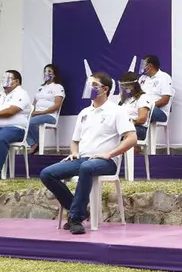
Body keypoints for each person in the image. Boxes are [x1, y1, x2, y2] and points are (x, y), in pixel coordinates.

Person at [40, 72, 136, 235]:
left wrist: (110, 154)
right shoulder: (84, 112)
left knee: (86, 167)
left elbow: (131, 138)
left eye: (93, 85)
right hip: (83, 159)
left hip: (105, 161)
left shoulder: (116, 111)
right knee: (47, 174)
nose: (88, 88)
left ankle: (76, 218)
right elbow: (75, 140)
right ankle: (78, 209)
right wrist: (74, 152)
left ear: (104, 89)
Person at [26, 64, 65, 153]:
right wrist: (31, 112)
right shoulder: (40, 88)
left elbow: (57, 106)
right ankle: (33, 144)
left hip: (49, 115)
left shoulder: (58, 87)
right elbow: (34, 103)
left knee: (30, 122)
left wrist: (40, 112)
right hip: (37, 114)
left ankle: (37, 143)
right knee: (23, 122)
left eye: (49, 71)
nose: (46, 73)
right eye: (45, 71)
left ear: (54, 74)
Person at [136, 55, 174, 141]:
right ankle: (136, 141)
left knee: (141, 112)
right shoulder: (142, 78)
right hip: (141, 109)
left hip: (158, 111)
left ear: (150, 66)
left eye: (144, 64)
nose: (142, 67)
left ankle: (140, 138)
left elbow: (165, 100)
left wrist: (147, 106)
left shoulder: (164, 77)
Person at [118, 71, 147, 141]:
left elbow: (142, 119)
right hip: (123, 126)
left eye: (127, 85)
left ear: (134, 85)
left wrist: (128, 122)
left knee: (118, 133)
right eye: (122, 85)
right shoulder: (122, 100)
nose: (124, 88)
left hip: (138, 128)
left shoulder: (142, 97)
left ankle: (133, 150)